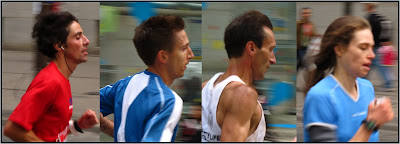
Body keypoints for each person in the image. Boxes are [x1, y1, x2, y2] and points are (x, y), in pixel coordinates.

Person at [3, 11, 98, 142]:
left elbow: (50, 130)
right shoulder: (49, 82)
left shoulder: (61, 78)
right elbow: (12, 129)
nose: (87, 41)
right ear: (59, 45)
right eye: (78, 37)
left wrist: (78, 125)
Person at [99, 15, 194, 142]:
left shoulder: (124, 85)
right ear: (163, 57)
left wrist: (113, 130)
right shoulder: (169, 101)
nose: (191, 54)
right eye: (184, 48)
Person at [303, 16, 394, 142]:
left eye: (372, 47)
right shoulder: (321, 96)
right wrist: (370, 124)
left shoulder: (367, 88)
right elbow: (369, 129)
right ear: (340, 49)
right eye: (363, 48)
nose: (372, 55)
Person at [202, 10, 276, 142]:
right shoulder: (243, 95)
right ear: (252, 48)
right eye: (270, 49)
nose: (273, 59)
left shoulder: (205, 87)